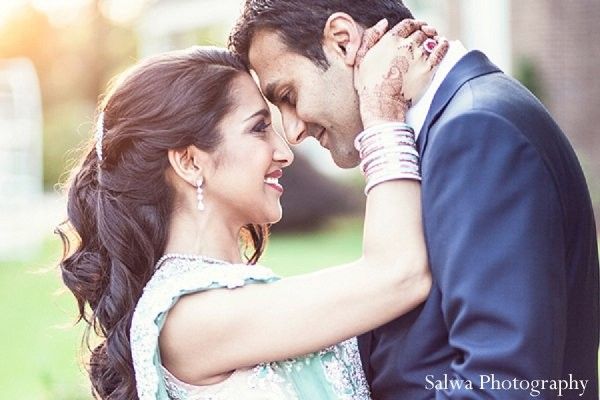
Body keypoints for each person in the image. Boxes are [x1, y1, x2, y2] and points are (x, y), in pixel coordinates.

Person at [229, 0, 600, 398]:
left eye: (288, 94)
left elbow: (503, 385)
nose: (293, 130)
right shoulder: (441, 133)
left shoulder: (476, 132)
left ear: (342, 42)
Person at [57, 21, 447, 399]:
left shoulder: (235, 298)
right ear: (190, 162)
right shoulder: (188, 318)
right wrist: (380, 114)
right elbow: (398, 276)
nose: (284, 151)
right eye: (259, 128)